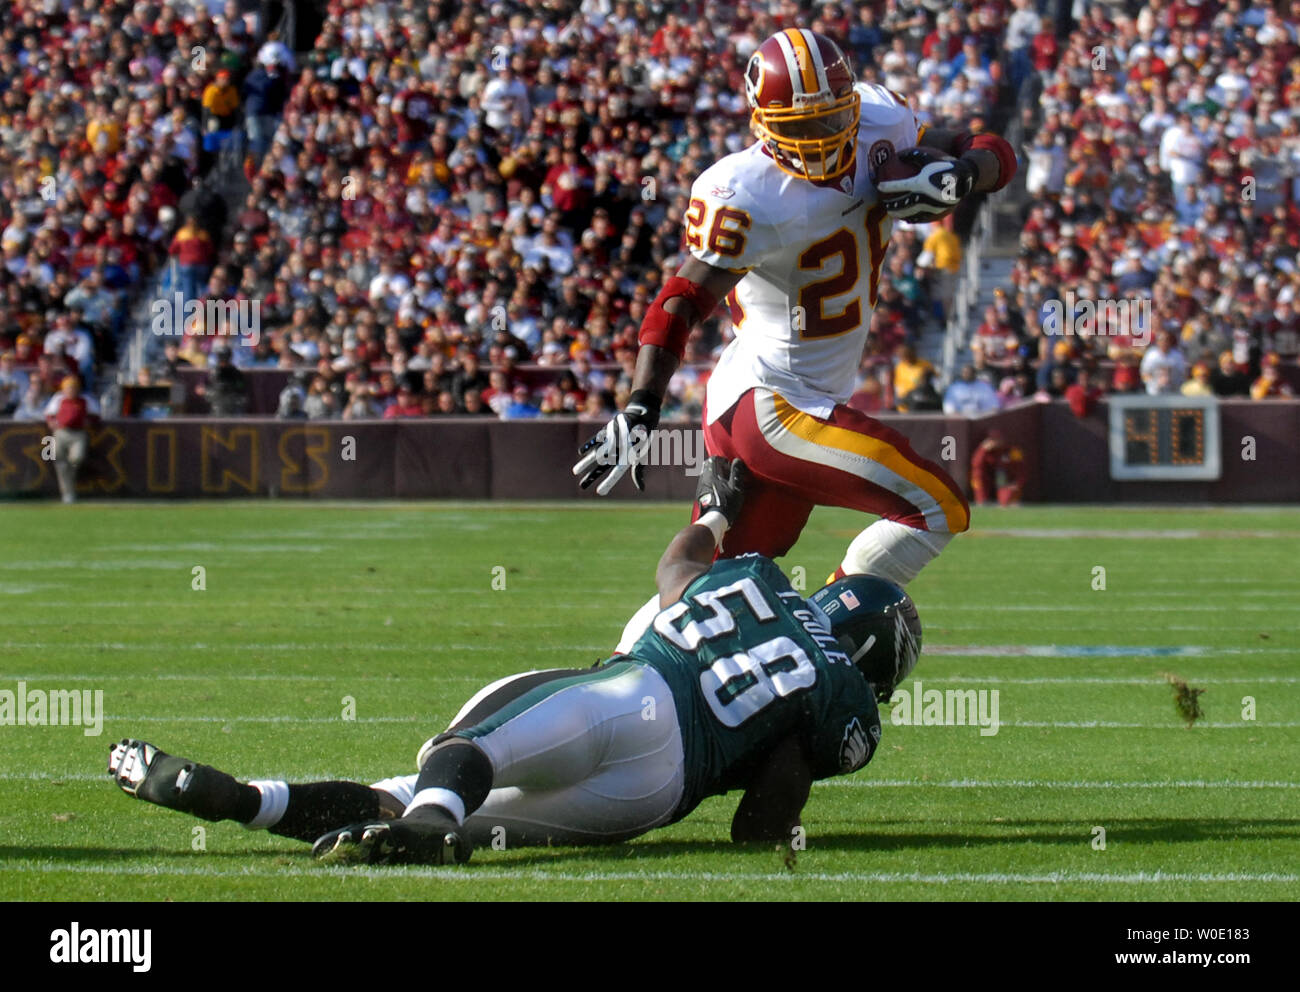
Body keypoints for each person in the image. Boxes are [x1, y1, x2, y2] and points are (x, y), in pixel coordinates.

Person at [108, 458, 922, 865]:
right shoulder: (847, 704)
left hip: (634, 695)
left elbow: (675, 573)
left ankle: (261, 802)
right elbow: (760, 825)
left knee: (457, 761)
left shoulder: (761, 581)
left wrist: (714, 509)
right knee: (462, 814)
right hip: (654, 794)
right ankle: (257, 803)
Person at [574, 28, 1015, 596]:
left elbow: (991, 149)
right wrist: (641, 407)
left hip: (787, 400)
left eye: (832, 119)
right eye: (802, 127)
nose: (823, 137)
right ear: (764, 124)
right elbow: (681, 300)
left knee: (721, 587)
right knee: (937, 505)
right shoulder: (747, 190)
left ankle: (627, 667)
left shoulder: (880, 121)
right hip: (771, 404)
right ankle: (828, 631)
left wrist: (963, 176)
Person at [43, 375, 100, 503]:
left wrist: (89, 421)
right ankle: (67, 493)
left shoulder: (85, 400)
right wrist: (52, 422)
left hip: (78, 433)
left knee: (76, 458)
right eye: (68, 388)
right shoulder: (58, 398)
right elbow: (48, 413)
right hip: (61, 432)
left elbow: (96, 414)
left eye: (73, 388)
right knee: (58, 460)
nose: (70, 390)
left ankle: (70, 480)